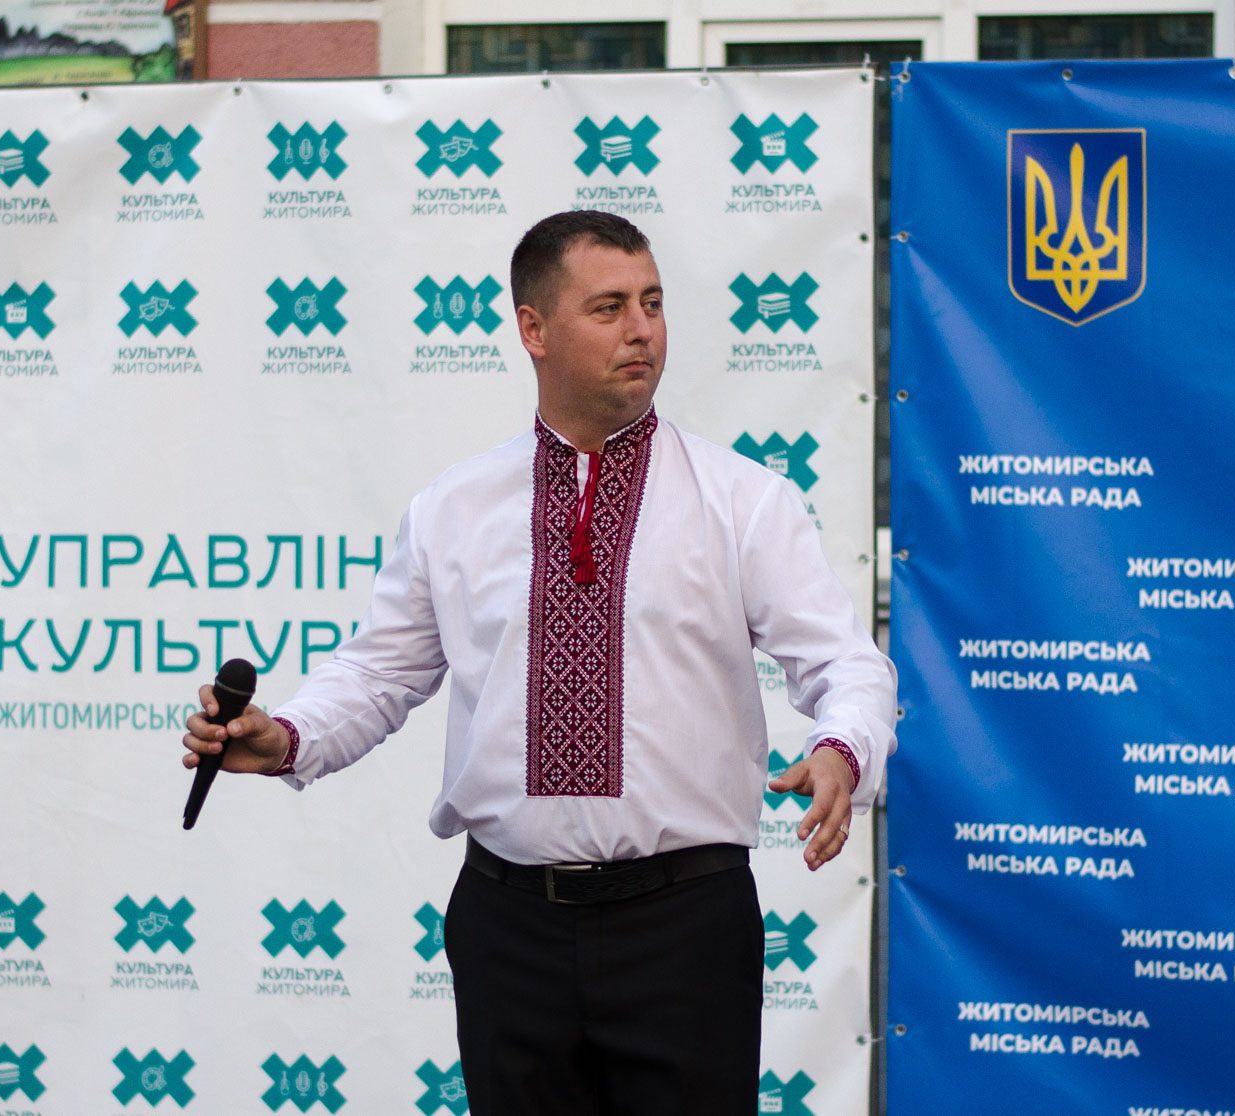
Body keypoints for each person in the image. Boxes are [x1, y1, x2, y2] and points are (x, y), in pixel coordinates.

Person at [179, 210, 897, 1115]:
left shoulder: (743, 501)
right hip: (507, 928)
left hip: (685, 927)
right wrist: (285, 737)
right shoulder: (453, 508)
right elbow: (378, 674)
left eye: (652, 303)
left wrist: (841, 748)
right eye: (608, 307)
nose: (641, 330)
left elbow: (846, 664)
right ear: (533, 328)